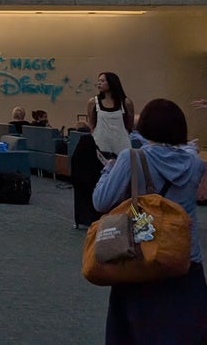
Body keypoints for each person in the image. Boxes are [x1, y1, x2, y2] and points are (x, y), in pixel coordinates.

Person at [92, 99, 207, 343]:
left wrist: (107, 170)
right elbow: (182, 155)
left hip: (141, 257)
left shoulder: (129, 159)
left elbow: (101, 202)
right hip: (184, 260)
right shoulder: (195, 164)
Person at [86, 72, 135, 158]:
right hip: (101, 145)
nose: (99, 83)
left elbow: (129, 124)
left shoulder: (125, 102)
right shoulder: (93, 102)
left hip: (121, 145)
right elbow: (92, 124)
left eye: (103, 81)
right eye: (98, 81)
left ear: (111, 82)